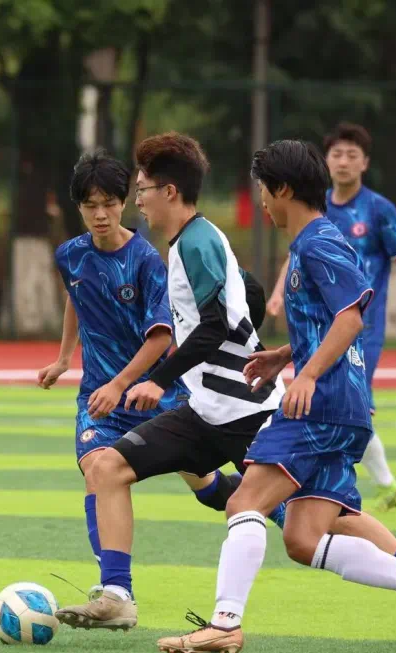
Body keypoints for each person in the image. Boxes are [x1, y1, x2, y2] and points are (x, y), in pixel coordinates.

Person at [56, 133, 396, 638]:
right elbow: (242, 306)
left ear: (169, 192)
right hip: (206, 410)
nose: (138, 201)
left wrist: (157, 380)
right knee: (107, 468)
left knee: (320, 522)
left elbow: (218, 323)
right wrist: (278, 353)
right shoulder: (185, 244)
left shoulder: (198, 241)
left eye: (143, 190)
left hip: (249, 411)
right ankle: (117, 596)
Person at [157, 139, 396, 653]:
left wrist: (309, 376)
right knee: (302, 538)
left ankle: (225, 624)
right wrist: (284, 356)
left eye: (263, 190)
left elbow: (350, 317)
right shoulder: (310, 243)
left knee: (244, 502)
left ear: (283, 189)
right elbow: (325, 322)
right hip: (342, 407)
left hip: (322, 406)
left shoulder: (318, 242)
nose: (262, 201)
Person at [36, 148, 242, 574]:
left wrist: (121, 384)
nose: (100, 215)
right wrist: (63, 359)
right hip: (100, 398)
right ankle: (113, 587)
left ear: (124, 202)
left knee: (209, 488)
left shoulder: (146, 259)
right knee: (98, 471)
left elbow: (161, 336)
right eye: (90, 205)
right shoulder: (70, 255)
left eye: (109, 204)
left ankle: (272, 503)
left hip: (155, 396)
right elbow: (76, 297)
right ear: (78, 207)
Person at [268, 122, 396, 513]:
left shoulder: (379, 210)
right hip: (318, 325)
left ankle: (371, 486)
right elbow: (297, 252)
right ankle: (349, 490)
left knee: (348, 402)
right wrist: (278, 292)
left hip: (360, 327)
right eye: (337, 154)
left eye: (352, 155)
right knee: (340, 404)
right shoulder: (315, 206)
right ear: (326, 160)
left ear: (365, 163)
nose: (344, 162)